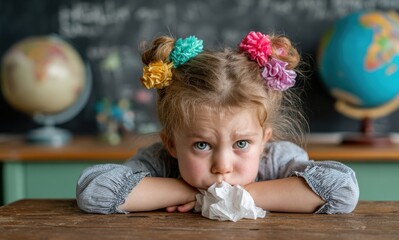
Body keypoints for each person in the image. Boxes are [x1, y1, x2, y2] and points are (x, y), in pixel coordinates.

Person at [76, 31, 359, 215]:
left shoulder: (278, 160)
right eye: (202, 145)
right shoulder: (160, 162)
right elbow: (94, 191)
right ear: (172, 143)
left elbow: (342, 190)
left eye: (242, 144)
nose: (222, 165)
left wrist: (240, 195)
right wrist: (194, 192)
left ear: (265, 141)